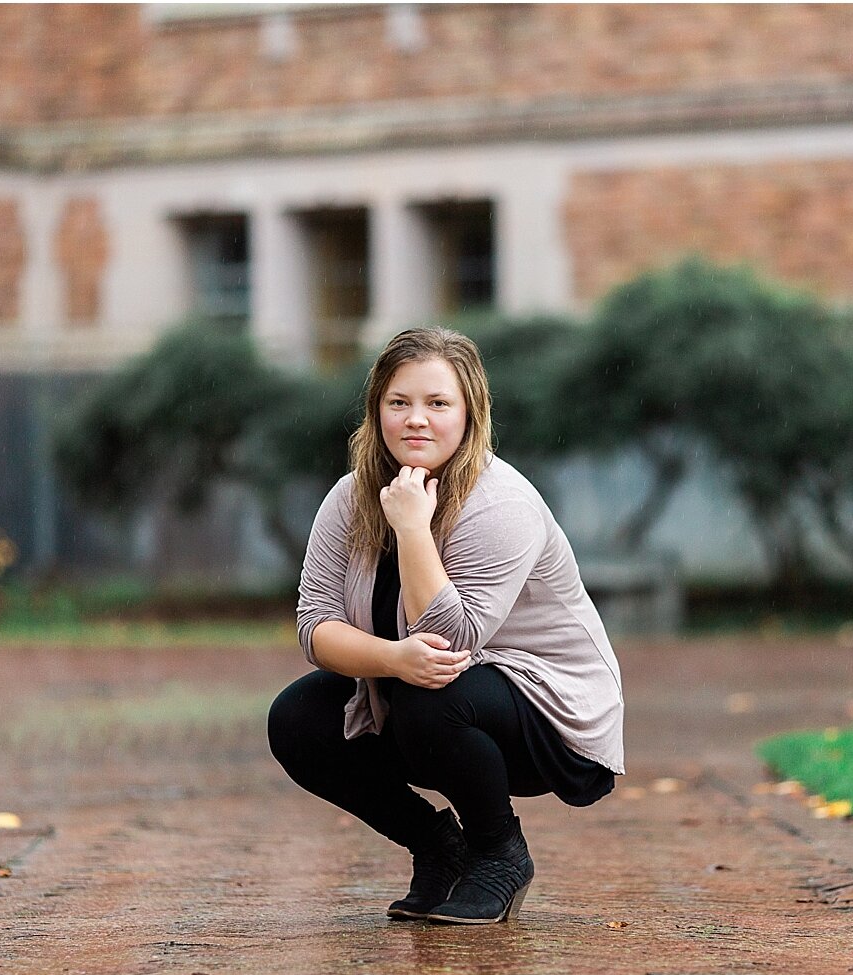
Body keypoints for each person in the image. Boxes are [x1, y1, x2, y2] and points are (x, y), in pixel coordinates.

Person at [268, 326, 625, 924]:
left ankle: (499, 855)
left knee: (429, 690)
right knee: (298, 719)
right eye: (399, 403)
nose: (417, 420)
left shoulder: (501, 503)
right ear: (376, 408)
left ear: (469, 413)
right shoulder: (350, 498)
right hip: (422, 690)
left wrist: (411, 528)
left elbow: (453, 641)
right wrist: (391, 660)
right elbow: (315, 625)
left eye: (438, 404)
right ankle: (438, 846)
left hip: (549, 715)